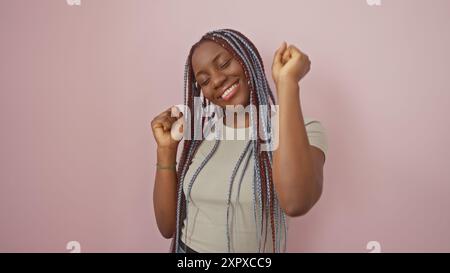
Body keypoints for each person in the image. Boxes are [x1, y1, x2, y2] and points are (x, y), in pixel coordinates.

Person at [151, 29, 328, 253]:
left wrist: (287, 83)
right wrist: (165, 150)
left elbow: (296, 202)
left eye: (224, 64)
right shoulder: (202, 134)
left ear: (248, 62)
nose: (216, 80)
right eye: (204, 80)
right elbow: (168, 227)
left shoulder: (303, 131)